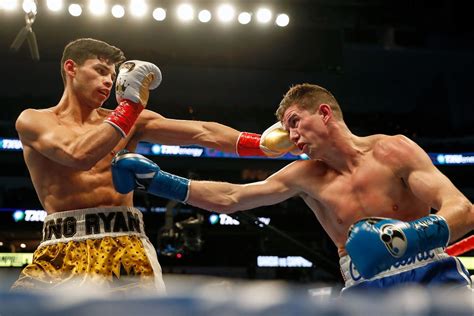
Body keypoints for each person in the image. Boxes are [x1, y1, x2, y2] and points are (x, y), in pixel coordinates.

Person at [112, 83, 474, 293]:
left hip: (431, 273)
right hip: (367, 289)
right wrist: (160, 182)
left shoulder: (393, 150)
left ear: (325, 113)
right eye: (287, 131)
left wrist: (407, 237)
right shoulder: (305, 177)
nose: (293, 138)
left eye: (295, 123)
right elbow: (233, 197)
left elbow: (463, 210)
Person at [12, 38, 298, 293]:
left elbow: (202, 131)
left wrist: (259, 144)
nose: (109, 82)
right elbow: (77, 155)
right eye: (100, 71)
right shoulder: (35, 120)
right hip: (59, 248)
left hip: (123, 243)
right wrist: (130, 108)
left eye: (112, 76)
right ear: (71, 68)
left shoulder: (127, 119)